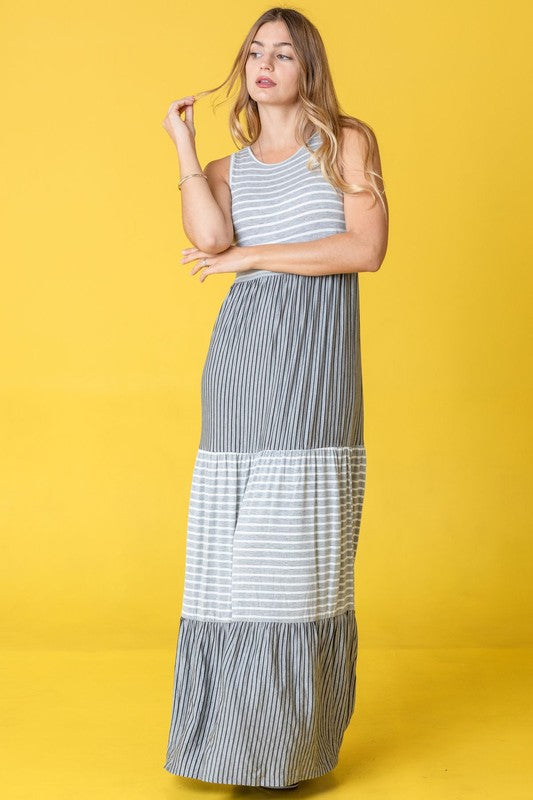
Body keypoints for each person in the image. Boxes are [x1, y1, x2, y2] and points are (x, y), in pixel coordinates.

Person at [161, 6, 388, 791]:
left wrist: (255, 253)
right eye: (254, 52)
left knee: (293, 554)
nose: (264, 64)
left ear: (307, 69)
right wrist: (186, 147)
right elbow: (210, 241)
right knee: (233, 561)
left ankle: (285, 749)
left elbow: (366, 249)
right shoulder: (227, 169)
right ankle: (228, 745)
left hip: (315, 369)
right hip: (242, 366)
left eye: (282, 53)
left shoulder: (346, 143)